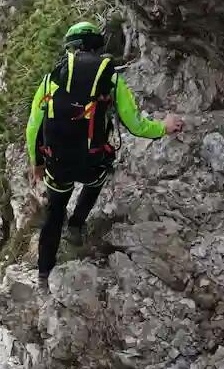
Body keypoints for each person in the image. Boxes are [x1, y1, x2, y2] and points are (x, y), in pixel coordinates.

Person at [25, 21, 183, 292]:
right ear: (97, 46)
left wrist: (36, 162)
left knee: (54, 214)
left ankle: (43, 276)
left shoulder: (52, 79)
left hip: (57, 163)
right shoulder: (110, 78)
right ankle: (76, 225)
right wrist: (163, 128)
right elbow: (136, 125)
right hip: (91, 162)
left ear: (71, 48)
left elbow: (32, 127)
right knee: (95, 181)